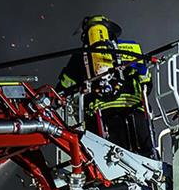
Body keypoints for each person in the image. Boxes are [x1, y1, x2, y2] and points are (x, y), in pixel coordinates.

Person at [59, 15, 156, 158]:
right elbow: (147, 84)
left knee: (105, 162)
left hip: (100, 118)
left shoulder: (79, 57)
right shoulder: (131, 49)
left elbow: (62, 90)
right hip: (136, 113)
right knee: (146, 157)